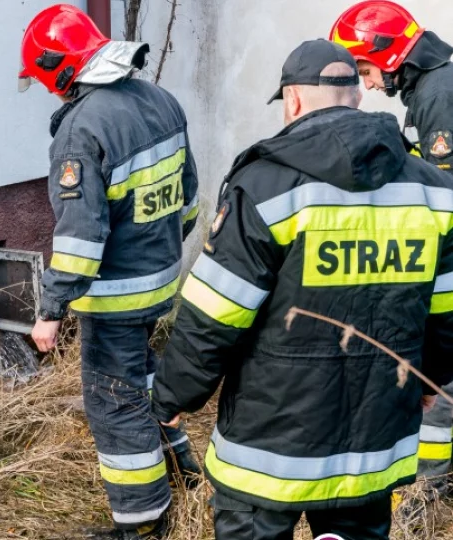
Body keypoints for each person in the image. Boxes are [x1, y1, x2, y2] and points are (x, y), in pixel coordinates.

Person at [151, 39, 453, 540]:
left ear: (291, 101)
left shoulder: (265, 187)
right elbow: (445, 314)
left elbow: (214, 315)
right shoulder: (431, 190)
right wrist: (426, 382)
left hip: (267, 454)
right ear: (358, 97)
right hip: (373, 450)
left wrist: (173, 396)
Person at [18, 5, 200, 538]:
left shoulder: (81, 130)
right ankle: (182, 468)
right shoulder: (159, 100)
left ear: (59, 68)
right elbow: (187, 200)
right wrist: (160, 252)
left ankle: (142, 523)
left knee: (114, 406)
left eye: (44, 79)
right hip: (162, 278)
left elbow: (78, 238)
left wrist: (50, 310)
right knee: (144, 378)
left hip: (117, 297)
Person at [331, 0, 453, 496]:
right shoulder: (432, 85)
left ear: (388, 54)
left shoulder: (438, 96)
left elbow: (445, 194)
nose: (367, 83)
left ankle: (427, 491)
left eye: (364, 69)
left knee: (440, 375)